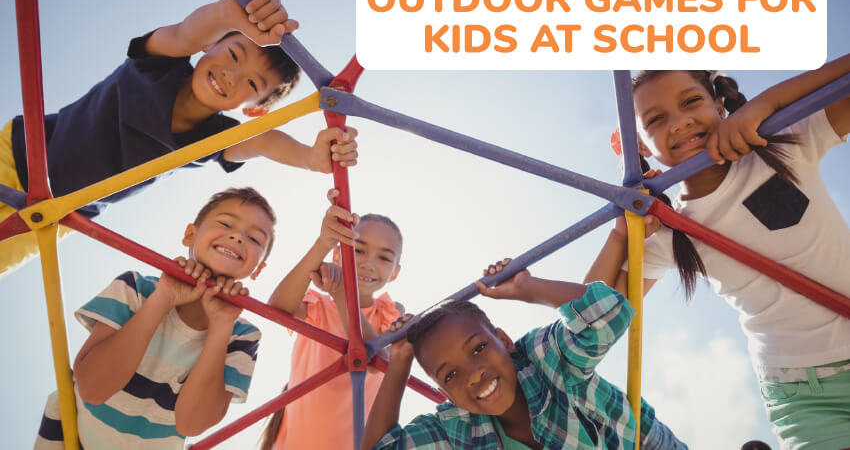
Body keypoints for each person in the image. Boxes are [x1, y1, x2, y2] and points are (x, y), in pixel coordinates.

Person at [0, 0, 358, 278]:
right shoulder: (157, 64)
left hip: (51, 216)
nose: (230, 76)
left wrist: (312, 158)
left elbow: (262, 140)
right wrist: (228, 14)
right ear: (210, 44)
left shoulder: (214, 137)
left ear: (256, 108)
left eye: (251, 82)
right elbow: (185, 33)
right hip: (16, 156)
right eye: (233, 55)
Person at [593, 55, 850, 449]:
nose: (678, 122)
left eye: (690, 102)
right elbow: (591, 318)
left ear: (717, 102)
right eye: (655, 121)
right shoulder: (670, 233)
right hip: (804, 393)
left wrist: (765, 105)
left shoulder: (781, 144)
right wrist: (619, 233)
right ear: (640, 147)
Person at [34, 187, 278, 449]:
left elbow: (191, 425)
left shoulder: (241, 333)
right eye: (226, 223)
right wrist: (162, 298)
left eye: (254, 239)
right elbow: (93, 389)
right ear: (190, 235)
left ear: (258, 269)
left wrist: (221, 324)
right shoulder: (136, 288)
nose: (237, 236)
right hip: (68, 437)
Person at [361, 259, 688, 450]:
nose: (473, 374)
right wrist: (400, 361)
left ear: (503, 340)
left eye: (478, 348)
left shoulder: (543, 357)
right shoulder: (456, 426)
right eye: (450, 375)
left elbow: (610, 313)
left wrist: (528, 288)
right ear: (445, 394)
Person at [262, 189, 406, 450]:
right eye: (358, 250)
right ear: (338, 255)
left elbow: (377, 361)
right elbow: (278, 308)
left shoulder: (390, 310)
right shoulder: (319, 306)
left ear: (394, 273)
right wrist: (324, 243)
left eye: (384, 257)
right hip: (297, 442)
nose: (368, 263)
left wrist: (342, 293)